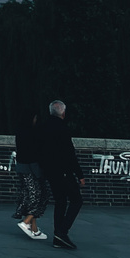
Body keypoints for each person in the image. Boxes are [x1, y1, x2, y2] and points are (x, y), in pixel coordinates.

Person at [39, 99, 85, 249]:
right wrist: (79, 174)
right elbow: (69, 154)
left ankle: (58, 236)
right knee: (76, 200)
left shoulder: (43, 127)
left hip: (50, 172)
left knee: (60, 201)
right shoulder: (62, 129)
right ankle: (62, 232)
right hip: (63, 171)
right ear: (63, 112)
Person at [11, 110, 49, 240]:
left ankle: (34, 229)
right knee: (39, 195)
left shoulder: (20, 132)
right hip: (32, 169)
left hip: (22, 168)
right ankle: (26, 222)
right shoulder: (32, 134)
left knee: (29, 195)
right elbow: (34, 154)